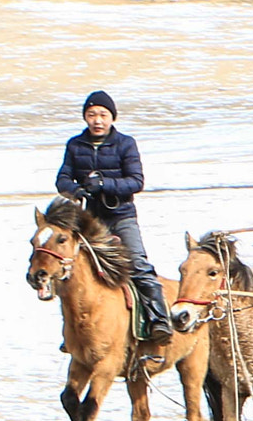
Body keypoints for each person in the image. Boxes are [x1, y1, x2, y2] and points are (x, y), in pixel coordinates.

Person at [54, 91, 171, 338]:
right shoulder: (75, 145)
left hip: (122, 217)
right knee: (72, 270)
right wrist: (77, 190)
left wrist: (105, 184)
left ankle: (159, 319)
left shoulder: (126, 143)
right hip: (91, 221)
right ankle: (71, 332)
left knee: (138, 264)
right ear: (85, 117)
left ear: (112, 118)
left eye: (103, 115)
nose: (97, 120)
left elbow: (136, 181)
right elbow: (62, 179)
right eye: (92, 115)